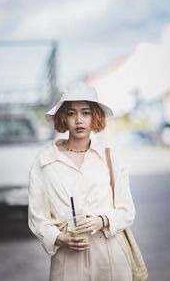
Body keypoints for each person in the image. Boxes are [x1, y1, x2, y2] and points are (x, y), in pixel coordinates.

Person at [28, 82, 135, 281]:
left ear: (95, 116)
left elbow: (127, 211)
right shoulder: (44, 162)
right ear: (63, 117)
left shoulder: (110, 158)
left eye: (85, 113)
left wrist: (101, 220)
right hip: (68, 258)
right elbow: (38, 218)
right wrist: (60, 238)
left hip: (111, 255)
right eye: (71, 113)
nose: (79, 120)